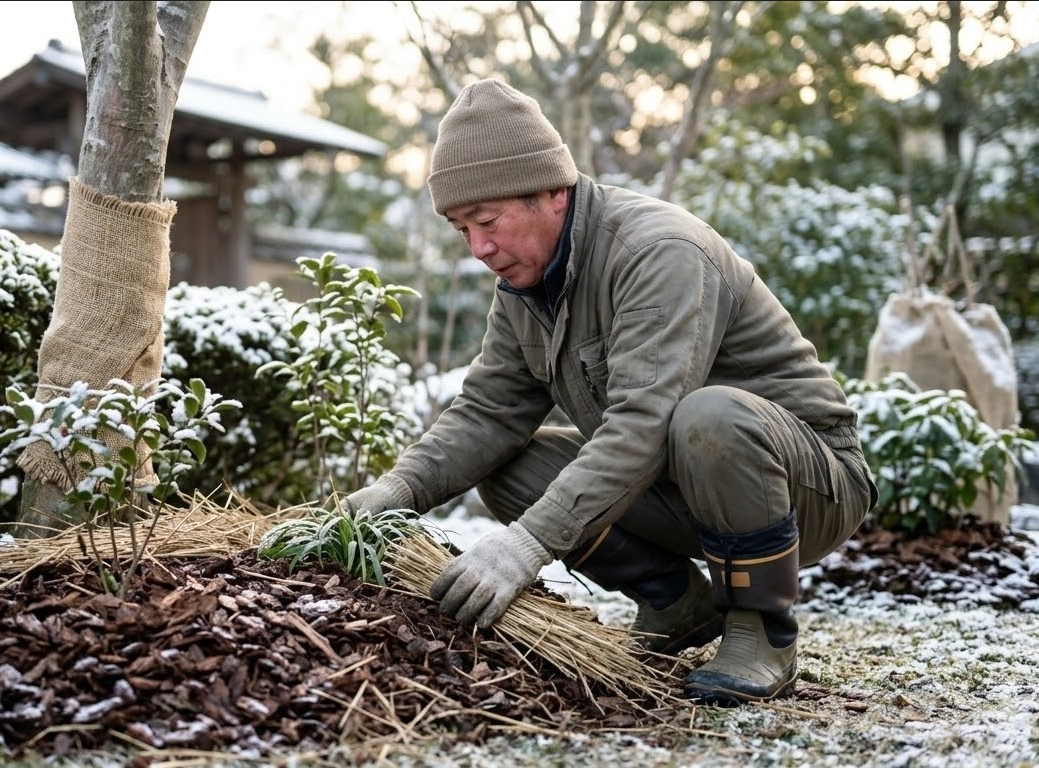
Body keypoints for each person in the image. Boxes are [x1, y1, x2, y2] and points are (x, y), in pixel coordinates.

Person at [340, 77, 877, 707]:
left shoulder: (657, 252)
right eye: (462, 230)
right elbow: (488, 412)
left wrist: (527, 546)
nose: (479, 249)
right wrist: (394, 492)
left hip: (805, 485)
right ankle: (675, 602)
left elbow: (643, 421)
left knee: (711, 416)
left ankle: (762, 633)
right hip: (680, 483)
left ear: (552, 192)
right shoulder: (523, 287)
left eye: (487, 221)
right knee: (511, 468)